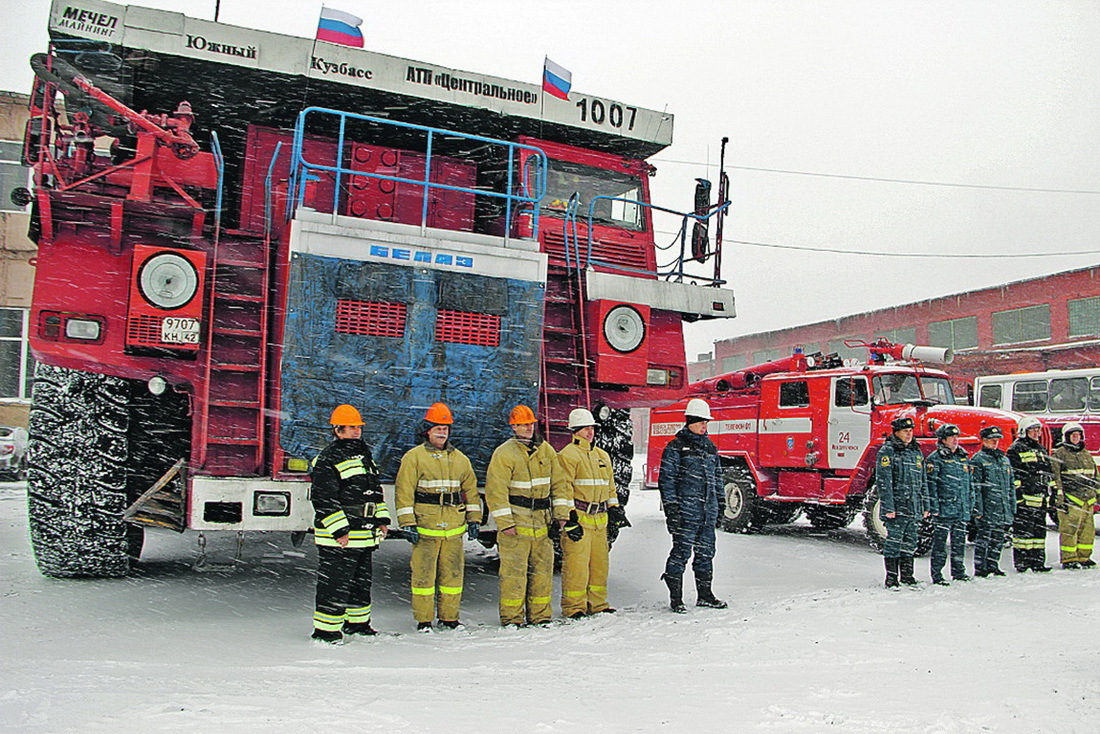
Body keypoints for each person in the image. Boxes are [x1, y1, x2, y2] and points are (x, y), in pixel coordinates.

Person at [394, 402, 482, 632]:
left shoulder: (461, 459)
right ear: (428, 431)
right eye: (437, 428)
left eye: (445, 428)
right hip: (426, 526)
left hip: (453, 528)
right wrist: (407, 523)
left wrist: (474, 519)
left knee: (452, 576)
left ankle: (449, 618)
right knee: (423, 577)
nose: (442, 432)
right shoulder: (414, 458)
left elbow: (471, 491)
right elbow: (404, 492)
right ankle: (424, 620)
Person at [309, 404, 389, 644]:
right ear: (337, 430)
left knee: (360, 583)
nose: (356, 431)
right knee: (335, 583)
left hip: (364, 532)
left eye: (358, 427)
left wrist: (381, 519)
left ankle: (358, 624)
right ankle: (325, 631)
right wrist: (340, 530)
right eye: (351, 427)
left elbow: (375, 492)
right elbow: (323, 497)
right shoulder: (328, 458)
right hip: (340, 536)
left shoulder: (365, 456)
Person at [483, 405, 566, 627]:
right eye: (523, 424)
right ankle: (512, 618)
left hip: (541, 524)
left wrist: (561, 514)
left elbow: (559, 484)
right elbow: (496, 492)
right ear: (514, 427)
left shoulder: (546, 451)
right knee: (513, 575)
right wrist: (505, 523)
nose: (528, 428)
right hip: (516, 527)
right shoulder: (504, 454)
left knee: (542, 573)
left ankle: (541, 617)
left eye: (530, 424)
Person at [555, 407, 626, 618]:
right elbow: (563, 489)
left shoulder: (602, 456)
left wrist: (615, 509)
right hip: (580, 518)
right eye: (585, 428)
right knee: (576, 567)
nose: (590, 432)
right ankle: (574, 607)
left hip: (600, 521)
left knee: (599, 566)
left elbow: (610, 487)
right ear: (574, 431)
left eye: (591, 428)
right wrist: (568, 518)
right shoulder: (567, 456)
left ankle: (598, 604)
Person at [658, 398, 727, 612]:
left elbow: (717, 478)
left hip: (706, 512)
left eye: (706, 423)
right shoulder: (676, 447)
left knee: (706, 553)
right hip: (686, 513)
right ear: (689, 421)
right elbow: (667, 481)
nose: (704, 426)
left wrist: (720, 503)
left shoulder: (709, 448)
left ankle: (705, 595)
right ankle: (676, 599)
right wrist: (672, 510)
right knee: (681, 553)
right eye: (700, 422)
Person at [875, 415, 928, 588]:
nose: (909, 434)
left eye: (910, 431)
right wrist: (889, 507)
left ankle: (907, 575)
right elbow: (884, 482)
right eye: (905, 431)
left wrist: (925, 505)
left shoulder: (915, 452)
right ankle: (891, 577)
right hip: (897, 507)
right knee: (894, 542)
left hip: (913, 506)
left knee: (910, 542)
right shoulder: (888, 451)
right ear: (896, 432)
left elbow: (923, 481)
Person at [924, 423, 972, 585]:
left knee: (959, 543)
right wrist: (934, 507)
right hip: (944, 510)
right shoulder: (935, 459)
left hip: (960, 509)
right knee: (940, 545)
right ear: (943, 440)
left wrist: (969, 504)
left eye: (957, 437)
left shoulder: (963, 457)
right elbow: (931, 485)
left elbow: (968, 485)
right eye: (952, 437)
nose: (955, 440)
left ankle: (959, 571)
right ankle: (937, 574)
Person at [1007, 416, 1054, 572]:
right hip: (1026, 499)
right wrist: (1018, 496)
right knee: (1023, 533)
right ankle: (1023, 562)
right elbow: (1015, 474)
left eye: (1037, 430)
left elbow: (1048, 471)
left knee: (1039, 533)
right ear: (1023, 431)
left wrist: (1052, 491)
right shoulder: (1016, 449)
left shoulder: (1040, 449)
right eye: (1032, 430)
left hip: (1040, 499)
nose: (1036, 433)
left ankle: (1037, 562)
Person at [1050, 422, 1098, 569]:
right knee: (1069, 530)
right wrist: (1059, 498)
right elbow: (1055, 477)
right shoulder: (1059, 454)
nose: (1076, 438)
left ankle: (1084, 557)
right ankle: (1069, 559)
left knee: (1087, 531)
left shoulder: (1086, 455)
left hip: (1087, 500)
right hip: (1071, 500)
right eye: (1073, 435)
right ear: (1067, 437)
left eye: (1078, 435)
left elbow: (1095, 477)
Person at [970, 425, 1015, 578]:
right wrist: (978, 510)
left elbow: (1010, 486)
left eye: (996, 440)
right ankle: (980, 567)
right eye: (991, 440)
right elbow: (975, 488)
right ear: (983, 441)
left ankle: (993, 564)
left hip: (1001, 507)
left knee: (998, 538)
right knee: (984, 539)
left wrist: (1011, 506)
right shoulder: (978, 460)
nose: (994, 443)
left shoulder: (1003, 459)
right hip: (988, 507)